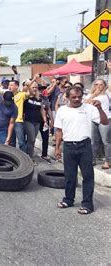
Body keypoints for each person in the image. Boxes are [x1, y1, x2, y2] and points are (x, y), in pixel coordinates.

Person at [55, 86, 109, 215]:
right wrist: (57, 148)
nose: (77, 99)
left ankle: (87, 204)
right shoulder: (62, 110)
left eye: (79, 97)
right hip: (68, 146)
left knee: (88, 176)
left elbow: (105, 122)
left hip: (85, 146)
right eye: (73, 97)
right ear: (67, 98)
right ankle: (68, 200)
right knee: (70, 176)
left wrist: (100, 108)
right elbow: (59, 130)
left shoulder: (89, 109)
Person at [84, 79, 110, 169]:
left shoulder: (107, 93)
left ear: (104, 85)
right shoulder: (91, 94)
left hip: (105, 120)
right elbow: (84, 103)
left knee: (106, 141)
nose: (98, 86)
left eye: (101, 84)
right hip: (93, 120)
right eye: (96, 84)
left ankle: (108, 161)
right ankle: (92, 159)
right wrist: (94, 94)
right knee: (93, 141)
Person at [23, 81, 49, 162]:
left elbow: (42, 110)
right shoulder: (26, 97)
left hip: (37, 122)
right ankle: (29, 158)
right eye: (33, 87)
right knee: (32, 139)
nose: (34, 89)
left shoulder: (39, 99)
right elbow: (23, 90)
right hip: (28, 121)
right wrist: (28, 86)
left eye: (36, 87)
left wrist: (45, 121)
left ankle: (28, 156)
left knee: (31, 141)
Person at [9, 80, 27, 152]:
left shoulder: (21, 94)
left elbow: (30, 93)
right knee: (11, 142)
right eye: (9, 85)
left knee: (21, 142)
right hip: (9, 121)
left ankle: (25, 159)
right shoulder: (7, 95)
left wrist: (31, 82)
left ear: (16, 86)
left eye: (11, 85)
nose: (9, 86)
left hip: (18, 121)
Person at [38, 85, 54, 161]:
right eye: (39, 89)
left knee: (45, 138)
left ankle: (44, 154)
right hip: (35, 120)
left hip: (45, 122)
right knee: (31, 139)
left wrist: (51, 120)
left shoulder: (45, 98)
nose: (40, 91)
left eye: (42, 90)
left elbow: (48, 109)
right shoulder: (32, 98)